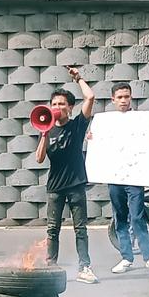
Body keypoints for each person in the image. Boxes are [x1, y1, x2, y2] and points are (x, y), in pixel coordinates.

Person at [35, 67, 97, 283]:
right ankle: (51, 265)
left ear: (70, 108)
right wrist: (43, 133)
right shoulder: (47, 129)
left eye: (62, 104)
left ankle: (85, 267)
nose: (57, 107)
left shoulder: (77, 126)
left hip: (76, 185)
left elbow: (90, 97)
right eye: (54, 104)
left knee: (80, 228)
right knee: (52, 229)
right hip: (55, 187)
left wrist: (78, 78)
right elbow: (39, 158)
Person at [103, 82, 149, 275]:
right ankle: (126, 258)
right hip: (115, 175)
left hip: (135, 175)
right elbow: (100, 143)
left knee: (138, 216)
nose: (123, 100)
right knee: (120, 217)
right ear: (113, 99)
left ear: (131, 98)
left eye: (126, 96)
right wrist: (93, 138)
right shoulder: (106, 122)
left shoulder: (142, 120)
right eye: (119, 97)